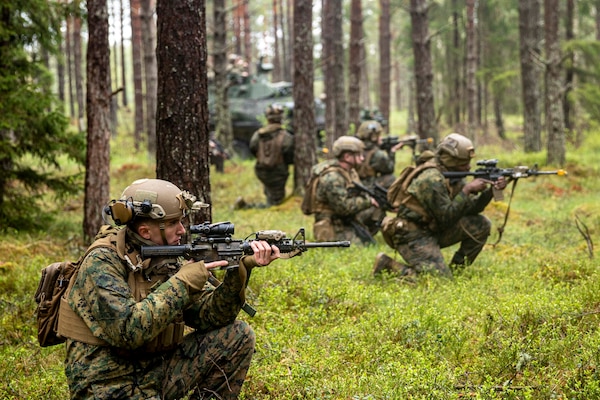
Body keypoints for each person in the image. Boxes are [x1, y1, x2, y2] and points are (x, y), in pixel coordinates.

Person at [59, 178, 280, 399]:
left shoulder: (166, 255)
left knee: (237, 336)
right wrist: (183, 282)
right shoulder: (101, 262)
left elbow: (211, 317)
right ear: (146, 231)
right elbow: (127, 331)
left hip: (154, 371)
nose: (182, 230)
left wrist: (239, 269)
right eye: (174, 223)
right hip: (107, 383)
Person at [374, 133, 507, 278]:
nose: (468, 167)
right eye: (463, 164)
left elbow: (471, 209)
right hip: (411, 234)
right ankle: (387, 265)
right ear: (451, 160)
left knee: (481, 224)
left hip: (432, 228)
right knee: (437, 283)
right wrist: (467, 190)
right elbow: (446, 217)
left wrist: (489, 192)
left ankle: (455, 272)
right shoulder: (432, 179)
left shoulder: (450, 174)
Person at [302, 135, 380, 245]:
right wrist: (368, 201)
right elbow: (343, 208)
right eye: (358, 155)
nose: (362, 158)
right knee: (358, 246)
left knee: (377, 210)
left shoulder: (349, 171)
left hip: (345, 219)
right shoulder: (332, 177)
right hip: (333, 224)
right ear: (347, 156)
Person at [247, 103, 294, 207]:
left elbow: (252, 148)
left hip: (261, 169)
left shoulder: (258, 134)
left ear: (268, 119)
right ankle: (246, 206)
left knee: (270, 193)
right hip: (278, 171)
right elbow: (289, 155)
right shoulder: (286, 136)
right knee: (276, 203)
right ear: (281, 119)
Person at [354, 120, 396, 236]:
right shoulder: (377, 154)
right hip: (367, 186)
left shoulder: (354, 149)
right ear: (374, 136)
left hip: (355, 185)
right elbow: (389, 168)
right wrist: (391, 153)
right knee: (391, 179)